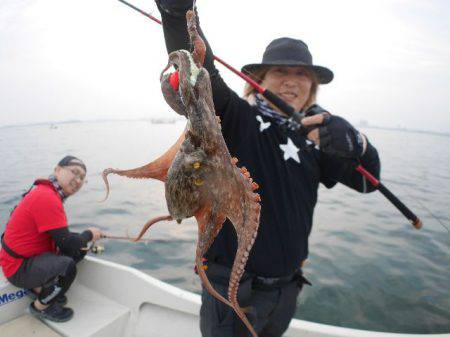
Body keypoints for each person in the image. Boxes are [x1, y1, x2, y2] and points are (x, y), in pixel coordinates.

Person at [156, 2, 381, 336]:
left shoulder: (318, 137)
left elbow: (367, 184)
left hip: (287, 290)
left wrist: (359, 144)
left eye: (301, 74)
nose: (292, 82)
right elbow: (202, 72)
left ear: (313, 85)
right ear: (259, 79)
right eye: (281, 72)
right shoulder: (236, 117)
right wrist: (178, 13)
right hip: (231, 291)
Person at [0, 156, 103, 322]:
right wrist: (89, 234)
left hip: (26, 258)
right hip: (17, 268)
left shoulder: (48, 192)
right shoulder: (46, 197)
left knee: (79, 247)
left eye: (82, 178)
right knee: (67, 266)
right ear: (57, 170)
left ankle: (44, 289)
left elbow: (64, 240)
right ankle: (40, 307)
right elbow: (67, 245)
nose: (78, 180)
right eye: (74, 172)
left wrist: (82, 239)